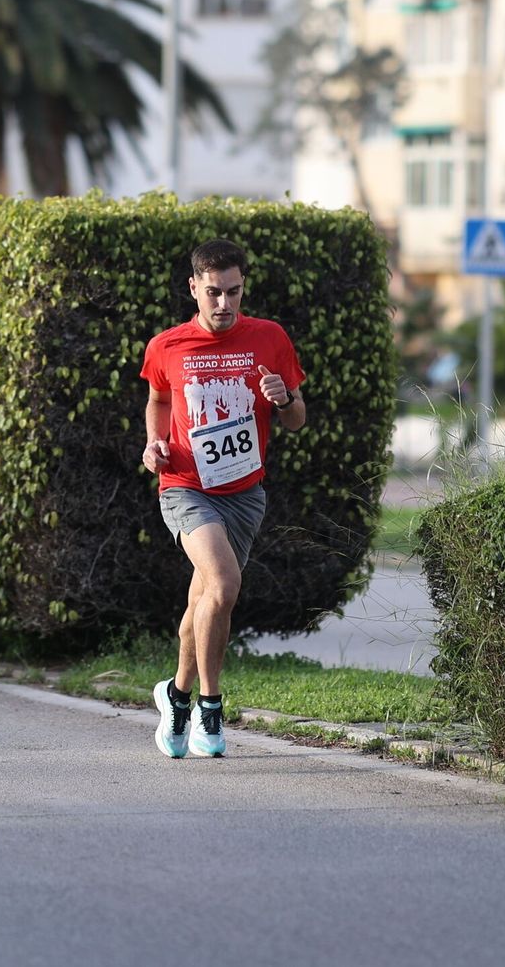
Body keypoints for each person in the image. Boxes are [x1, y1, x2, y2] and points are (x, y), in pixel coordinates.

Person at [140, 239, 306, 758]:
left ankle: (176, 694)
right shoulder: (166, 346)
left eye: (233, 292)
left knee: (204, 600)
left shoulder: (269, 338)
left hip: (244, 493)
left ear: (243, 288)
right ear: (194, 287)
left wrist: (285, 400)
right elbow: (159, 398)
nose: (223, 304)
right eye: (213, 292)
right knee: (226, 584)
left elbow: (297, 419)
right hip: (186, 486)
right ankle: (210, 711)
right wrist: (155, 443)